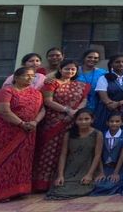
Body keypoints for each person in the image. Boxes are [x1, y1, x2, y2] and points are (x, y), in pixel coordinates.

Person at [0, 67, 45, 202]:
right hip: (8, 131)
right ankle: (2, 192)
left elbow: (42, 110)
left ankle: (19, 190)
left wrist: (35, 122)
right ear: (16, 77)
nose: (30, 78)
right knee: (7, 160)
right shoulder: (6, 91)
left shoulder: (36, 93)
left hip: (29, 130)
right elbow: (4, 111)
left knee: (24, 160)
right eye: (26, 75)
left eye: (32, 76)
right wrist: (21, 123)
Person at [33, 60, 91, 192]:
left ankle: (66, 180)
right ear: (60, 69)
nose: (70, 71)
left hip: (73, 121)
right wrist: (67, 110)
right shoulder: (51, 83)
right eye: (67, 69)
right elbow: (48, 101)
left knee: (69, 151)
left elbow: (84, 100)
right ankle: (43, 184)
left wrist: (75, 112)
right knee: (49, 151)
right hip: (53, 122)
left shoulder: (80, 85)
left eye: (73, 69)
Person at [46, 109, 102, 200]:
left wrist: (90, 174)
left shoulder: (97, 134)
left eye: (86, 119)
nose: (83, 122)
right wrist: (60, 175)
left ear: (92, 120)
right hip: (70, 169)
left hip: (87, 168)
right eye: (80, 119)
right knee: (58, 190)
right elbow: (63, 155)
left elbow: (97, 156)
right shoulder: (69, 134)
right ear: (75, 121)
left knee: (83, 188)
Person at [91, 112, 123, 196]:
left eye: (117, 121)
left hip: (120, 168)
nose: (114, 123)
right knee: (96, 184)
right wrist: (101, 172)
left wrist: (116, 173)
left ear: (122, 122)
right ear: (107, 123)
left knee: (112, 183)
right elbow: (98, 155)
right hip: (105, 167)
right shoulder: (101, 135)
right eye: (111, 121)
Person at [93, 54, 123, 132]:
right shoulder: (104, 78)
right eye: (117, 62)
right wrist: (111, 105)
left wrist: (118, 103)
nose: (121, 64)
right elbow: (104, 97)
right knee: (105, 131)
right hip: (107, 109)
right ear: (111, 64)